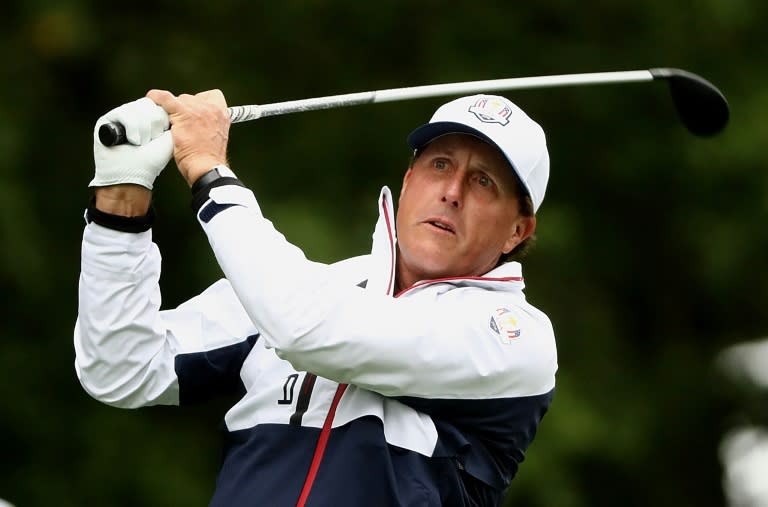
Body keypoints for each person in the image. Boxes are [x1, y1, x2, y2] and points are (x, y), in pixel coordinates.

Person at [75, 89, 558, 506]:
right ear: (409, 179)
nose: (452, 191)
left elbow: (309, 330)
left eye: (482, 181)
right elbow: (123, 367)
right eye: (439, 164)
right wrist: (120, 204)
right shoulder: (308, 288)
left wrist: (209, 172)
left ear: (518, 229)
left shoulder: (513, 337)